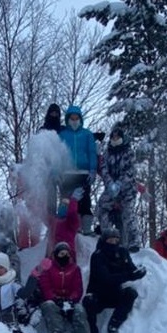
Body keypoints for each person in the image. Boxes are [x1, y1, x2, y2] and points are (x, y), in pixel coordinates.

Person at [82, 227, 146, 333]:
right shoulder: (98, 255)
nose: (114, 242)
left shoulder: (122, 252)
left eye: (116, 239)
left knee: (131, 294)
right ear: (105, 240)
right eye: (111, 240)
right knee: (89, 303)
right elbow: (105, 278)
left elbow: (131, 269)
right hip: (98, 294)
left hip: (115, 293)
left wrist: (139, 272)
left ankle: (114, 324)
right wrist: (130, 276)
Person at [33, 241, 93, 333]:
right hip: (54, 300)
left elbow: (78, 288)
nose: (64, 256)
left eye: (66, 253)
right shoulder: (48, 268)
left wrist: (71, 300)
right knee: (48, 306)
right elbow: (45, 286)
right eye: (61, 254)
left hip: (70, 301)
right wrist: (55, 299)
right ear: (56, 255)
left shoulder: (75, 269)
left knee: (80, 309)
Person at [95, 126, 141, 249]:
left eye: (117, 137)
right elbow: (103, 169)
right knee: (101, 207)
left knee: (128, 213)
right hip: (111, 189)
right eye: (113, 137)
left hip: (127, 190)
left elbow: (130, 171)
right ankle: (107, 235)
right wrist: (110, 184)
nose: (115, 139)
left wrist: (120, 184)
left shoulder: (128, 152)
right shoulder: (107, 153)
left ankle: (134, 241)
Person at [57, 105, 99, 235]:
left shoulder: (87, 134)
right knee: (66, 200)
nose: (74, 120)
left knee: (84, 200)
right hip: (66, 173)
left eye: (76, 117)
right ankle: (66, 226)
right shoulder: (62, 134)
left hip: (83, 173)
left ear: (80, 119)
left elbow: (92, 152)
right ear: (68, 119)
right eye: (72, 117)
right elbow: (57, 154)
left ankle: (85, 227)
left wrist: (93, 170)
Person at [46, 186, 83, 257]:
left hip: (68, 253)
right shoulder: (54, 221)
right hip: (55, 254)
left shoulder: (71, 222)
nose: (63, 206)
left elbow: (72, 213)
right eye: (61, 204)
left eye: (66, 205)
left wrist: (74, 200)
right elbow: (42, 214)